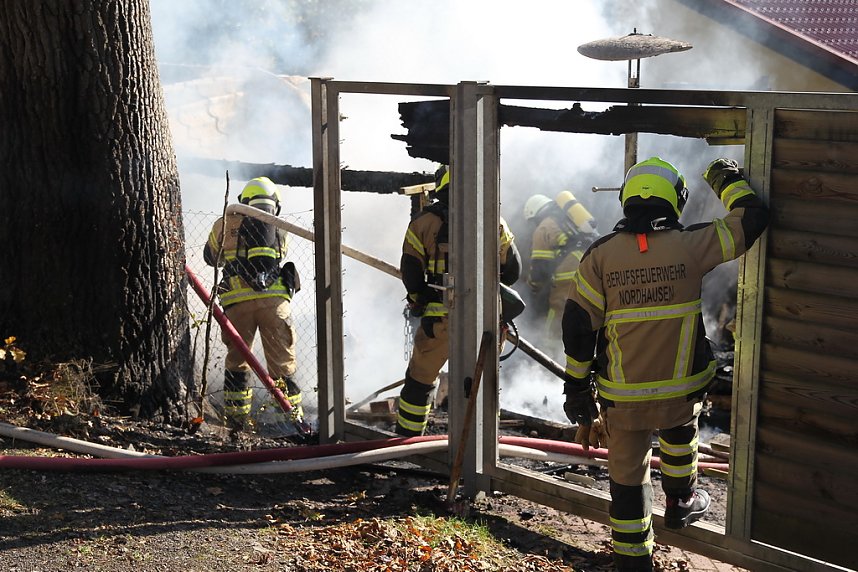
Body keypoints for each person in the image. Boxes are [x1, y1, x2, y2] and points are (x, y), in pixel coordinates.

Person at [560, 157, 769, 571]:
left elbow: (578, 327)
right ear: (676, 200)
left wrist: (577, 388)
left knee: (627, 480)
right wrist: (724, 178)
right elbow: (753, 219)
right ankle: (681, 501)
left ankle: (633, 561)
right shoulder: (691, 245)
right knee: (680, 436)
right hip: (680, 392)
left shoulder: (600, 255)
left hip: (623, 398)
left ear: (626, 199)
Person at [396, 165, 522, 436]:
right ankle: (484, 444)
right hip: (485, 320)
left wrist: (419, 299)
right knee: (483, 384)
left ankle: (408, 441)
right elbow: (513, 270)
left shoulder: (423, 223)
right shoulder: (494, 220)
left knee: (419, 381)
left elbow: (411, 273)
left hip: (439, 320)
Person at [203, 176, 303, 430]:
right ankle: (289, 423)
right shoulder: (279, 226)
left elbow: (211, 258)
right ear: (274, 204)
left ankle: (237, 422)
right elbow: (279, 255)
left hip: (237, 303)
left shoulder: (223, 223)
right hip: (274, 303)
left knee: (237, 362)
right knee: (282, 364)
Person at [522, 191, 598, 350]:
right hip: (591, 269)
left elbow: (539, 268)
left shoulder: (543, 228)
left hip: (567, 278)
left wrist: (532, 287)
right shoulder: (569, 221)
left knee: (556, 318)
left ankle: (551, 356)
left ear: (534, 215)